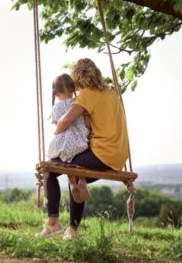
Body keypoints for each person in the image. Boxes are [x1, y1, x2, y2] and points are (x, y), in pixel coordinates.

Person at [41, 58, 129, 240]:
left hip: (101, 153)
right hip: (118, 155)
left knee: (50, 169)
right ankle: (71, 229)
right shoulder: (111, 93)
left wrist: (57, 129)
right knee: (75, 174)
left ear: (78, 78)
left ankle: (54, 224)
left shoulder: (88, 94)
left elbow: (66, 120)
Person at [47, 74, 91, 204]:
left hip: (66, 145)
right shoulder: (79, 104)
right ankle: (82, 180)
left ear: (56, 93)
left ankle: (72, 183)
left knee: (67, 159)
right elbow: (88, 124)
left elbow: (58, 128)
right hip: (82, 143)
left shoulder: (56, 108)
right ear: (73, 89)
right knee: (78, 159)